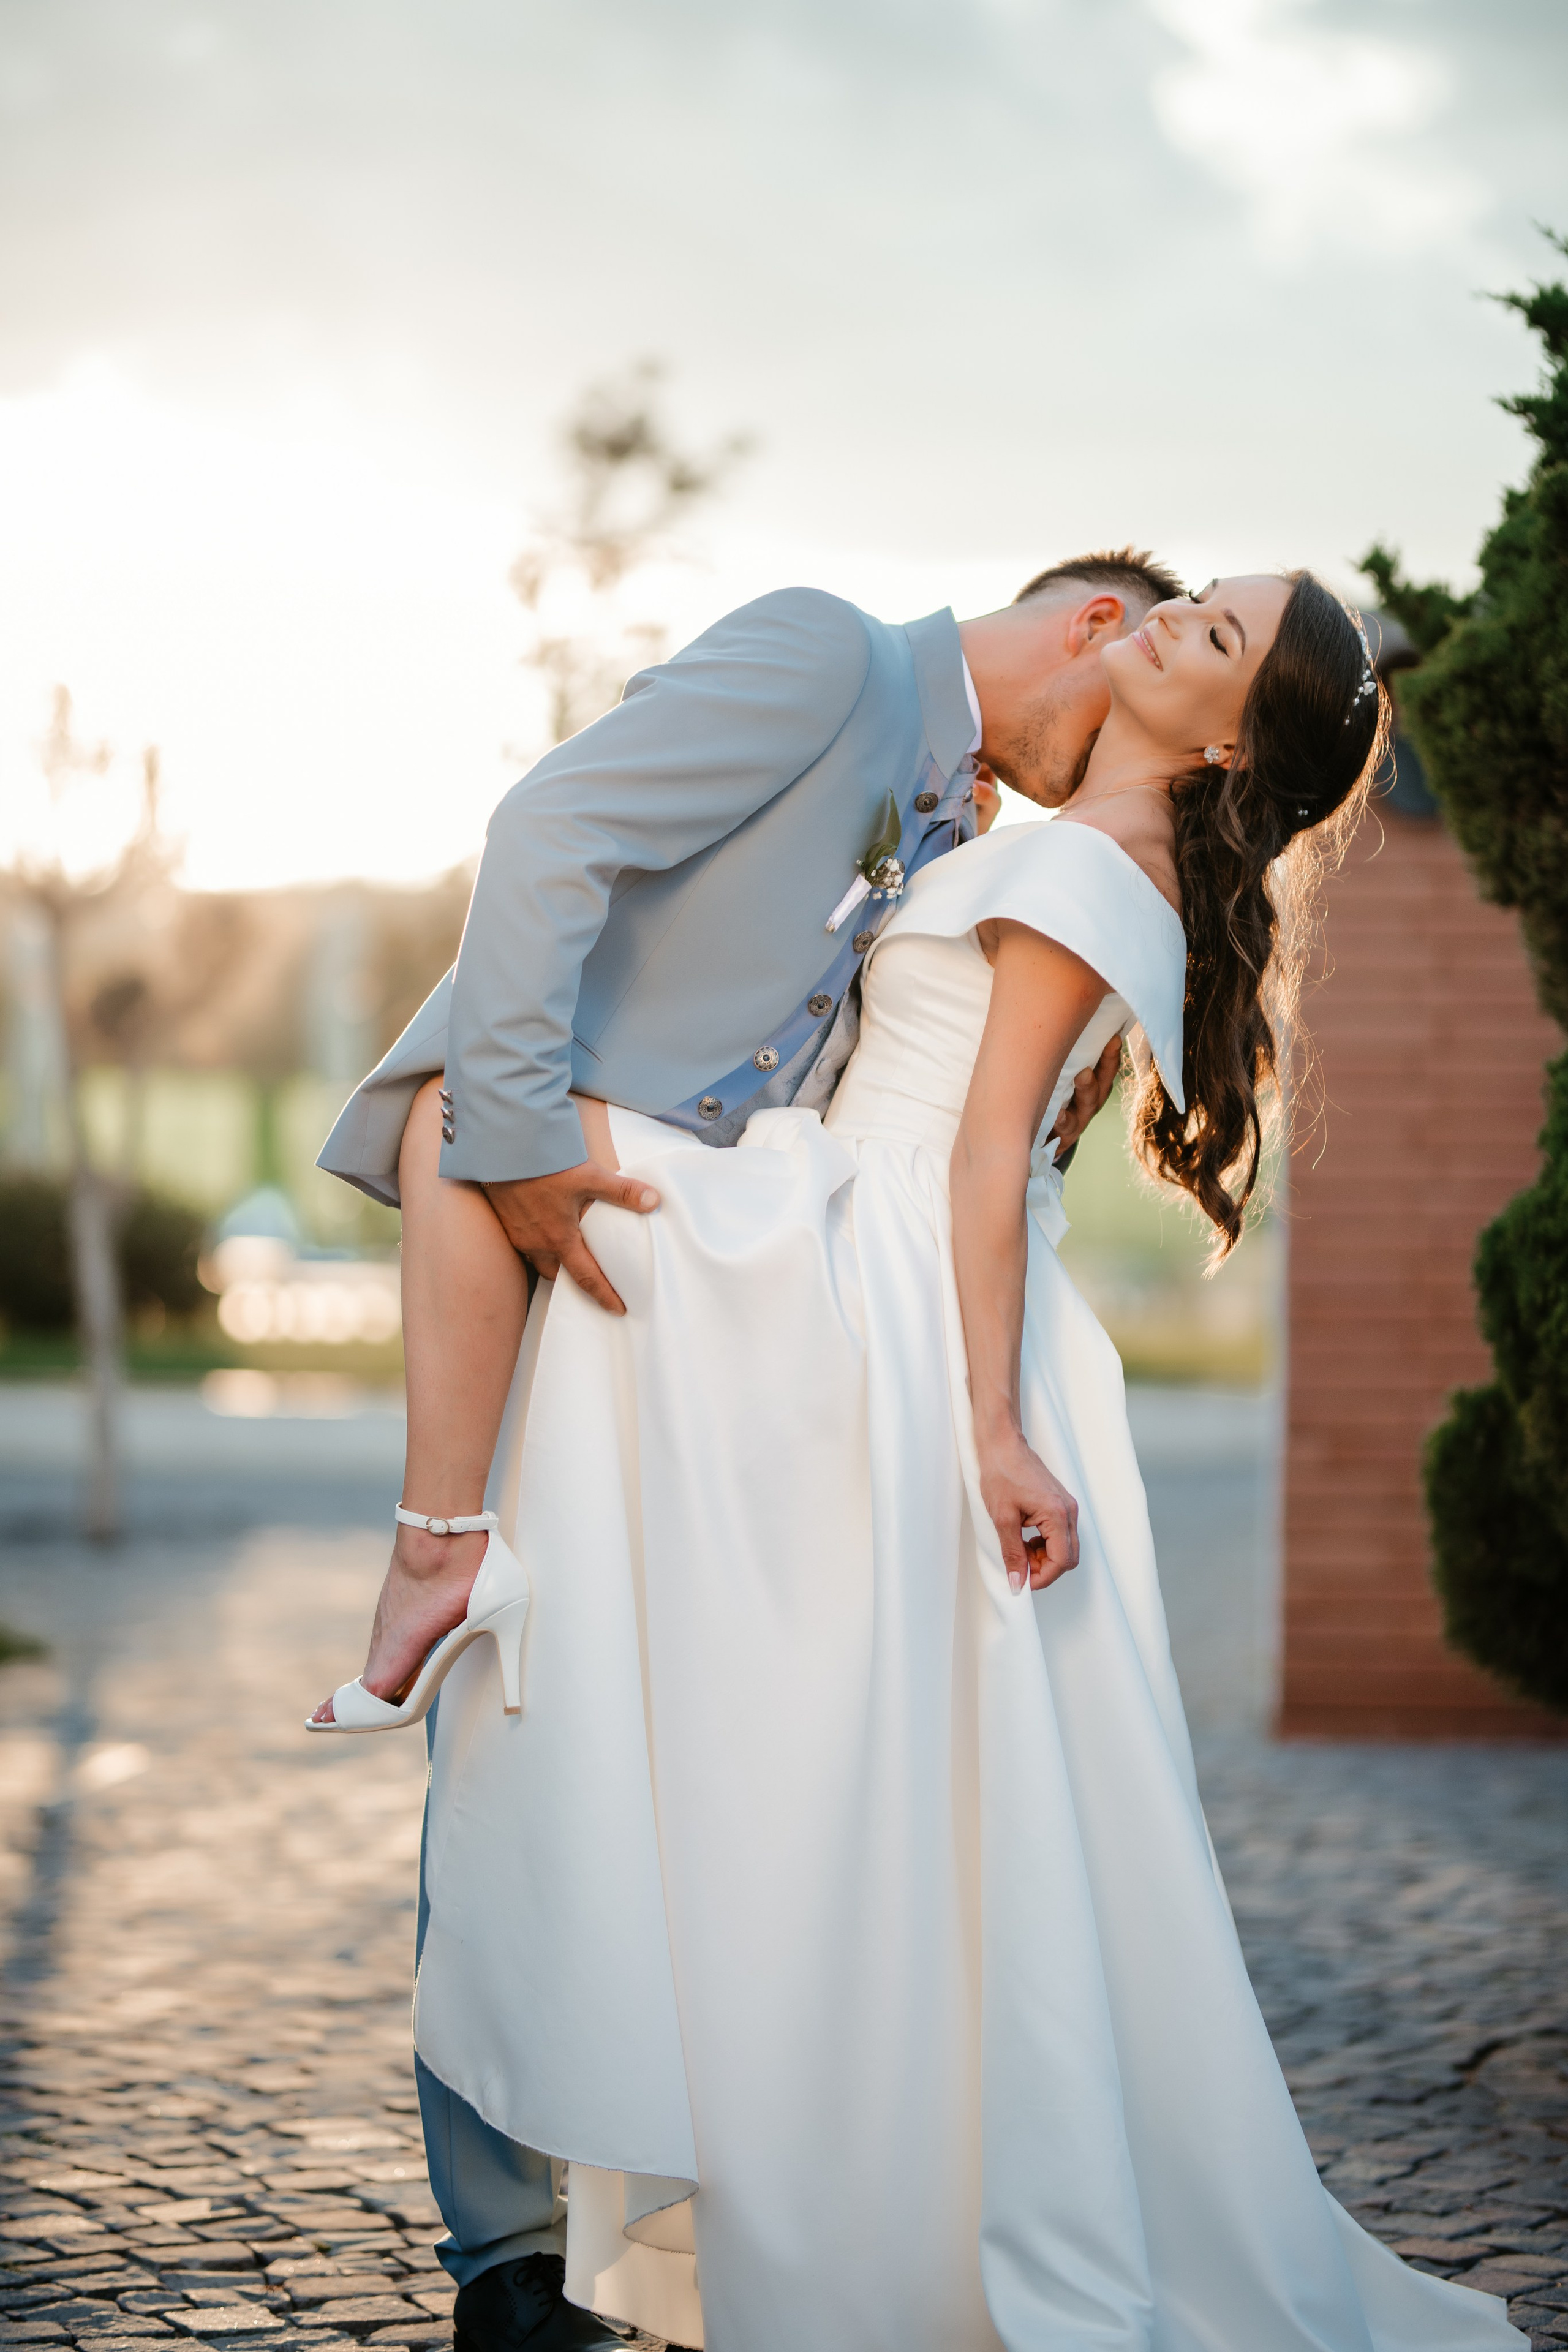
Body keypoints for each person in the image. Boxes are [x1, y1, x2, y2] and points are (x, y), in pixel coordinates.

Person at [313, 570, 1525, 2351]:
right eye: (1185, 603)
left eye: (1209, 638)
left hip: (846, 1257)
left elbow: (978, 1163)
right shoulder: (998, 795)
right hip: (826, 1223)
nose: (1170, 624)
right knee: (752, 1699)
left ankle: (446, 1555)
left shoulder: (1087, 854)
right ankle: (572, 2167)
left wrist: (984, 1422)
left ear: (1219, 744)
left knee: (447, 1136)